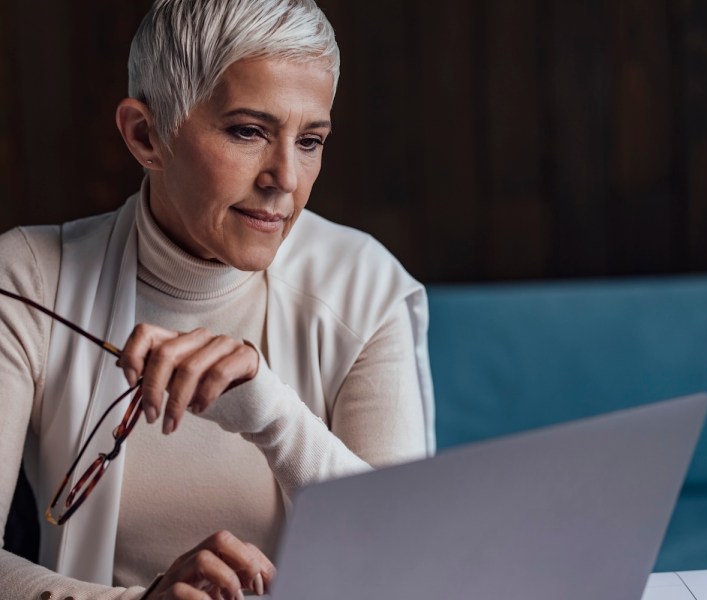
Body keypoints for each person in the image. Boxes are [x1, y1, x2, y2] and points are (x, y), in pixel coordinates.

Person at [0, 0, 435, 597]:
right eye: (248, 131)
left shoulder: (366, 289)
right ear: (145, 135)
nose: (285, 176)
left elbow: (416, 562)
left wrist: (269, 412)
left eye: (310, 140)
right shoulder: (28, 278)